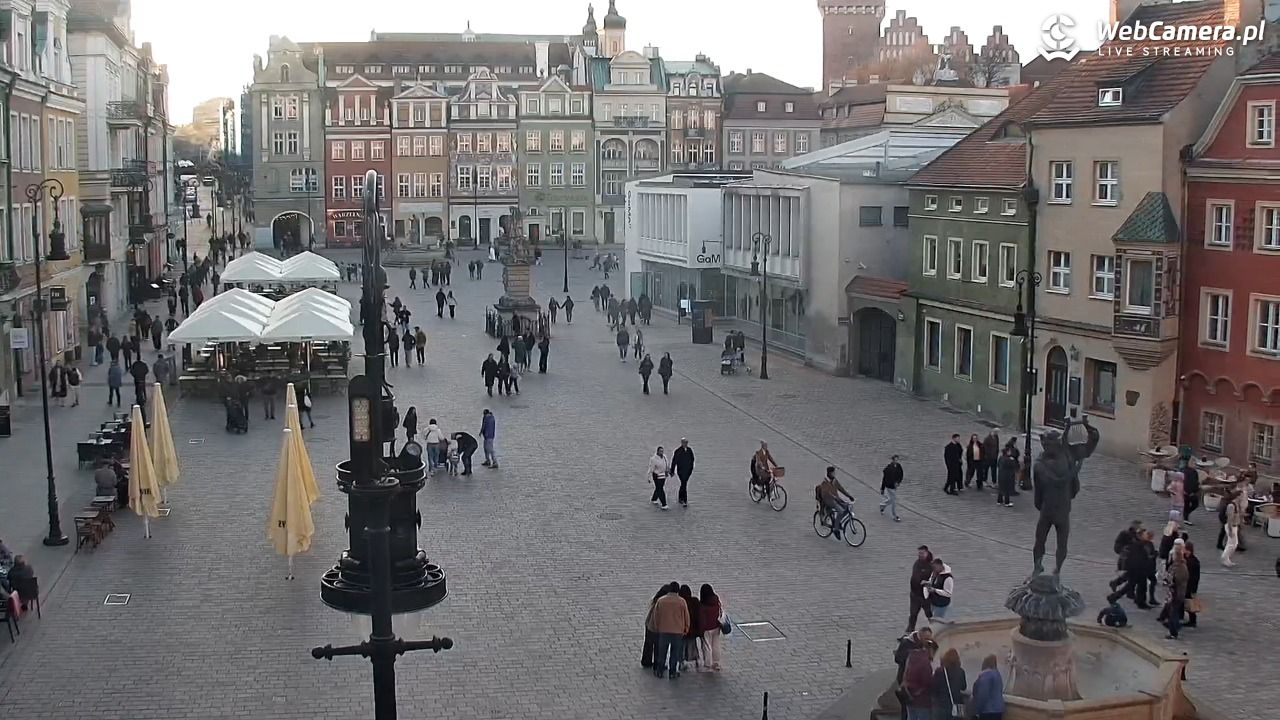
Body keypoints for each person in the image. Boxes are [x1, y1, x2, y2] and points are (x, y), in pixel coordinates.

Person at [652, 584, 690, 679]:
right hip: (677, 631)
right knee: (675, 653)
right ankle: (672, 672)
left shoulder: (661, 601)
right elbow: (686, 617)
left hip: (663, 630)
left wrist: (657, 627)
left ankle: (659, 671)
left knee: (662, 652)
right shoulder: (682, 602)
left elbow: (656, 616)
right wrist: (686, 628)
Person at [816, 466, 856, 538]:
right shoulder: (825, 483)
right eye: (833, 473)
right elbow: (826, 493)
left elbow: (841, 489)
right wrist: (835, 498)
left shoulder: (834, 481)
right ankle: (835, 529)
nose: (834, 474)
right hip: (828, 501)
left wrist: (849, 496)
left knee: (847, 507)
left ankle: (838, 522)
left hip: (835, 499)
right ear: (829, 473)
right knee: (840, 511)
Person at [642, 584, 673, 669]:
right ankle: (658, 664)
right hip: (656, 626)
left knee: (648, 644)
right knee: (658, 645)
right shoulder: (662, 602)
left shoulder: (655, 599)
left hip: (649, 624)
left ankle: (646, 661)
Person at [931, 647, 967, 720]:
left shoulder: (940, 671)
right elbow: (963, 687)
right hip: (957, 704)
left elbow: (934, 688)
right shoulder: (961, 671)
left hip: (942, 704)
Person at [902, 646, 936, 720]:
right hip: (922, 700)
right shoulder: (925, 662)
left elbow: (905, 675)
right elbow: (927, 682)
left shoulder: (911, 658)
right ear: (930, 651)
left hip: (909, 697)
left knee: (911, 717)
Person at [907, 546, 935, 632]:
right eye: (919, 553)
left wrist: (926, 582)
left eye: (922, 553)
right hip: (915, 594)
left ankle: (936, 631)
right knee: (913, 615)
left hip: (925, 596)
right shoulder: (917, 563)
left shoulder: (931, 565)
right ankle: (908, 633)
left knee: (929, 615)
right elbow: (915, 576)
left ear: (927, 553)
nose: (920, 555)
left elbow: (934, 579)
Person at [1165, 547, 1189, 640]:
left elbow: (1172, 580)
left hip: (1175, 593)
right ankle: (1174, 629)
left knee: (1173, 613)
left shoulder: (1177, 567)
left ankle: (1173, 632)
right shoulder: (1183, 566)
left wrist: (1168, 580)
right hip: (1180, 592)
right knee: (1175, 612)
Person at [970, 654, 1004, 720]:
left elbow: (983, 694)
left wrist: (977, 710)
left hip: (987, 710)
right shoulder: (997, 675)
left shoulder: (986, 675)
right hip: (998, 710)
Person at [698, 584, 723, 671]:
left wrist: (700, 630)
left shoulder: (703, 604)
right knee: (716, 644)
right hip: (716, 626)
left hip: (706, 629)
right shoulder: (716, 600)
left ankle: (708, 663)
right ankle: (716, 662)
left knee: (707, 646)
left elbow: (702, 619)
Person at [679, 584, 702, 671]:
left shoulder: (681, 603)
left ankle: (682, 661)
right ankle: (696, 659)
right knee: (693, 645)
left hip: (683, 629)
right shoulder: (695, 601)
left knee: (681, 646)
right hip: (693, 629)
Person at [671, 438, 695, 507]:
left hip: (688, 471)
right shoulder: (678, 451)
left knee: (683, 484)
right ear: (681, 443)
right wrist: (672, 471)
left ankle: (680, 497)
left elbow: (692, 459)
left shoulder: (689, 450)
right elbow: (674, 461)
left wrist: (691, 468)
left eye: (686, 443)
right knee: (684, 483)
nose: (685, 444)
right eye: (684, 443)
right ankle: (684, 500)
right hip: (681, 471)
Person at [1221, 489, 1241, 567]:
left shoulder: (1234, 505)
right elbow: (1230, 518)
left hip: (1234, 526)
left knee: (1233, 543)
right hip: (1231, 526)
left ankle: (1227, 558)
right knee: (1231, 544)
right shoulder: (1231, 505)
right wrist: (1230, 529)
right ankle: (1224, 557)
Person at [881, 454, 903, 521]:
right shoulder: (888, 468)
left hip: (895, 486)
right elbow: (884, 479)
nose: (896, 461)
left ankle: (882, 505)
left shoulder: (899, 466)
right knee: (894, 501)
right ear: (892, 460)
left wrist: (898, 482)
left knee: (891, 499)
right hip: (889, 486)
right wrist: (882, 488)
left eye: (897, 460)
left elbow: (901, 475)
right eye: (895, 460)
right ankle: (895, 516)